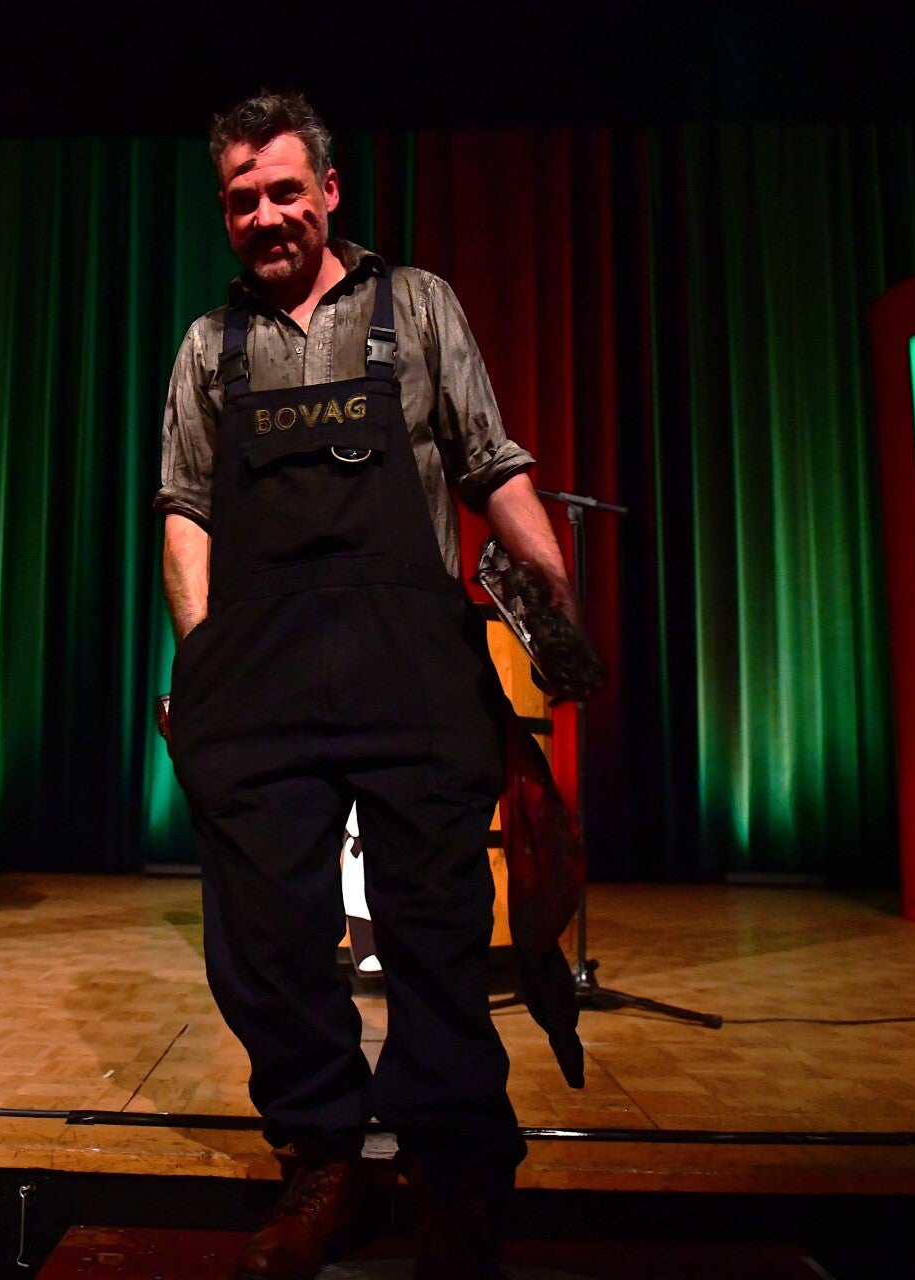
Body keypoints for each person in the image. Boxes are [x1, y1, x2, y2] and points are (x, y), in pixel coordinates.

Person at [157, 92, 591, 1280]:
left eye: (285, 190)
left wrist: (554, 597)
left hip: (410, 663)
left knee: (436, 929)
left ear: (330, 189)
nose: (266, 215)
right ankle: (326, 1165)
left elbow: (491, 464)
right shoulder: (209, 345)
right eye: (242, 198)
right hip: (258, 673)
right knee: (267, 938)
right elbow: (186, 509)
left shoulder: (419, 304)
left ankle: (452, 1176)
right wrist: (203, 659)